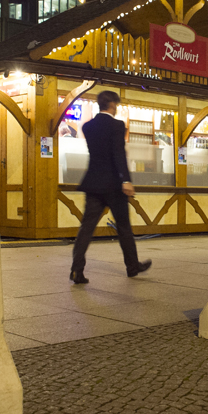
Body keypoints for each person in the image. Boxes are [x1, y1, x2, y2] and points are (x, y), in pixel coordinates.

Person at [69, 90, 152, 284]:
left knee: (86, 228)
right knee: (123, 227)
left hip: (93, 183)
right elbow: (118, 154)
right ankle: (132, 266)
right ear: (112, 105)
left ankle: (76, 270)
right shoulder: (117, 125)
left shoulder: (87, 126)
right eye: (116, 105)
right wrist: (125, 180)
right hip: (114, 185)